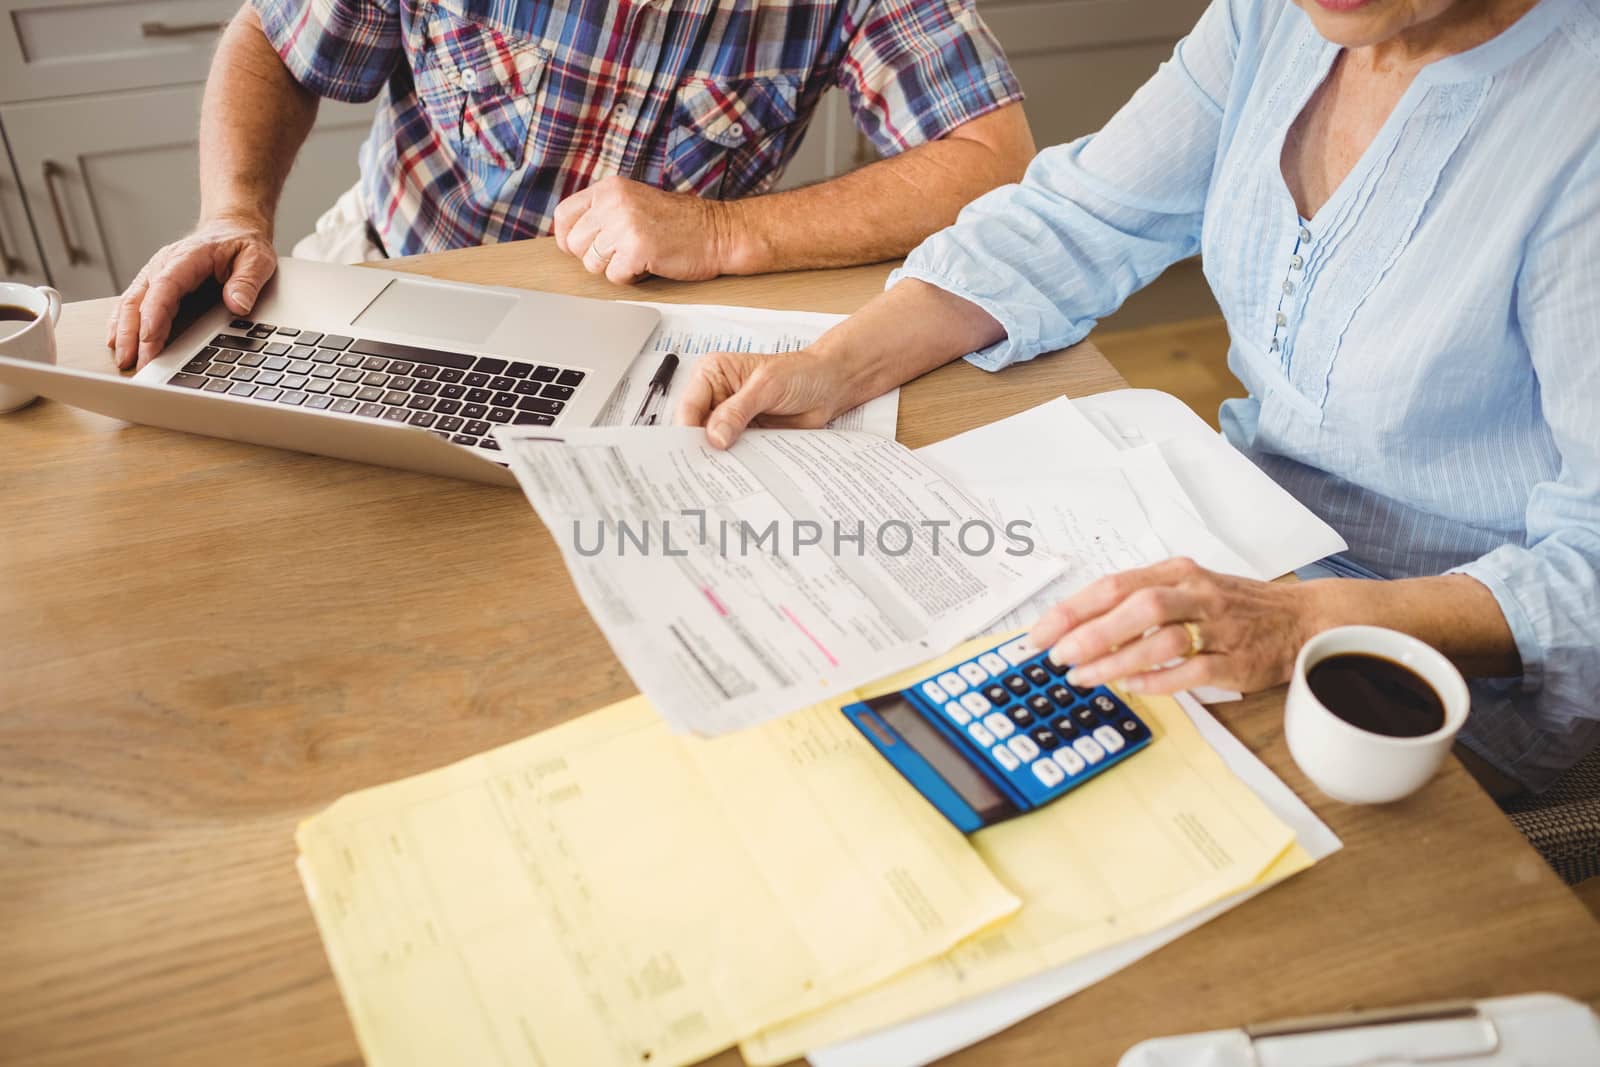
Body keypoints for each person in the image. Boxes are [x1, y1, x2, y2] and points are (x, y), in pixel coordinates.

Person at [681, 0, 1600, 793]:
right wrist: (835, 364)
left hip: (1418, 670)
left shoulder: (1579, 121)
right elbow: (1080, 217)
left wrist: (1295, 624)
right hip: (1233, 556)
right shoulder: (1272, 20)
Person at [109, 0, 1035, 370]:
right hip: (389, 277)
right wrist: (232, 210)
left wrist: (720, 233)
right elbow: (275, 42)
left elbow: (994, 153)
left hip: (655, 333)